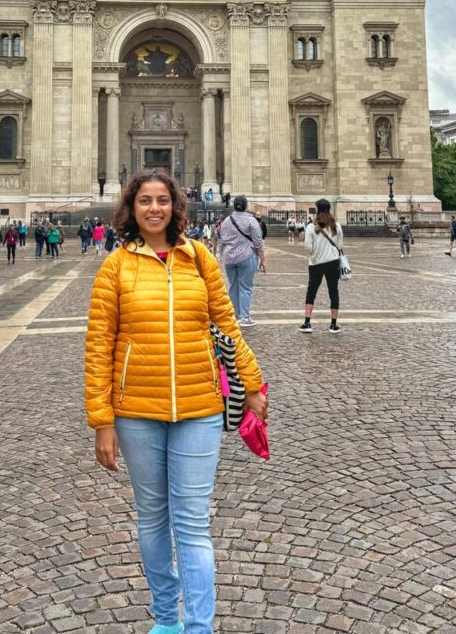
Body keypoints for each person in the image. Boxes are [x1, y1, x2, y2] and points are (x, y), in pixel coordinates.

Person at [85, 169, 266, 634]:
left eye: (162, 200)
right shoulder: (116, 266)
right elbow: (99, 346)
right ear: (131, 207)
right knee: (152, 517)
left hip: (199, 407)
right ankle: (166, 619)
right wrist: (101, 421)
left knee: (192, 523)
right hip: (137, 411)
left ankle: (198, 628)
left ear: (175, 206)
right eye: (145, 201)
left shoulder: (200, 259)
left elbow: (227, 327)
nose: (154, 209)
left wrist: (252, 385)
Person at [218, 195, 266, 327]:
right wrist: (263, 259)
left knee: (233, 286)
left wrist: (222, 256)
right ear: (245, 206)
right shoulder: (251, 221)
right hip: (246, 256)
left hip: (229, 258)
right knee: (246, 287)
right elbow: (258, 241)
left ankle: (235, 314)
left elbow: (221, 240)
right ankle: (245, 318)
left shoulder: (226, 221)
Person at [300, 198, 343, 334]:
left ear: (317, 209)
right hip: (333, 262)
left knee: (311, 291)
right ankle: (333, 324)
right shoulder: (336, 225)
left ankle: (307, 323)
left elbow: (308, 247)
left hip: (316, 263)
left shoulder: (311, 227)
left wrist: (314, 252)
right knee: (333, 291)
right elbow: (340, 246)